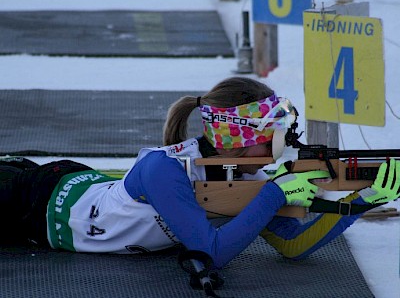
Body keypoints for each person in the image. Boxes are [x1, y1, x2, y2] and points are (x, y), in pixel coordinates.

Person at [0, 77, 399, 270]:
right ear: (242, 138)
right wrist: (276, 194)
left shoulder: (244, 177)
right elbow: (210, 253)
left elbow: (292, 244)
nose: (281, 146)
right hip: (30, 200)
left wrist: (363, 200)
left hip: (72, 187)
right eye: (274, 137)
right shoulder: (165, 170)